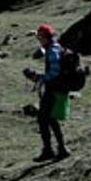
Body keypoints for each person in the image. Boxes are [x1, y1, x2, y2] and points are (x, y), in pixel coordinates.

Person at [22, 23, 70, 162]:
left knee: (43, 118)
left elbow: (55, 72)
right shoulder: (57, 47)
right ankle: (60, 149)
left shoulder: (52, 51)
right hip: (58, 89)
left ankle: (50, 150)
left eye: (40, 37)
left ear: (45, 37)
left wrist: (40, 78)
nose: (39, 40)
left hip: (54, 90)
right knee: (50, 119)